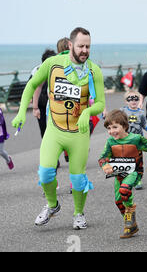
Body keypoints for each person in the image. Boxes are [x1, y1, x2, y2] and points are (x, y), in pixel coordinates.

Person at [11, 27, 105, 230]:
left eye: (88, 46)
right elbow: (31, 85)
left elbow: (100, 103)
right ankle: (53, 205)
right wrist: (21, 112)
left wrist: (88, 112)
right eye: (81, 46)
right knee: (45, 174)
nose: (84, 50)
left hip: (78, 133)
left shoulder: (93, 70)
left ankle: (79, 214)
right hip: (54, 130)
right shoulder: (53, 64)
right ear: (70, 45)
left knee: (78, 179)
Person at [99, 110, 147, 238]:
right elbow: (103, 157)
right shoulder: (111, 142)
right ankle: (131, 223)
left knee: (125, 190)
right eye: (109, 128)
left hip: (134, 172)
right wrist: (105, 165)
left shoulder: (136, 139)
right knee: (118, 202)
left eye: (115, 127)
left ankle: (130, 215)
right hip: (119, 174)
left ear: (125, 126)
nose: (112, 131)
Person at [120, 90, 147, 190]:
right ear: (126, 101)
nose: (133, 101)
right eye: (130, 99)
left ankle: (138, 179)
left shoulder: (141, 113)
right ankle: (128, 178)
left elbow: (145, 125)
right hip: (125, 140)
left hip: (137, 141)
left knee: (138, 161)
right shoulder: (123, 111)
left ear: (139, 100)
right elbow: (116, 120)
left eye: (136, 99)